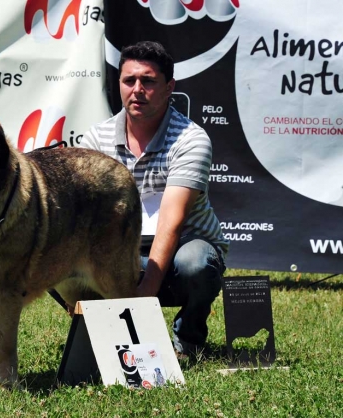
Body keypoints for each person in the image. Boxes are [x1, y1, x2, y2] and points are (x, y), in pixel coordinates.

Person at [79, 41, 229, 359]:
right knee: (57, 259)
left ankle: (188, 341)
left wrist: (143, 295)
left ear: (169, 87)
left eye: (148, 81)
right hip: (122, 250)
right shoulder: (96, 138)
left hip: (180, 249)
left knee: (196, 263)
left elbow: (171, 223)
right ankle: (99, 337)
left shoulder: (191, 139)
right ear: (118, 83)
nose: (137, 90)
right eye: (128, 80)